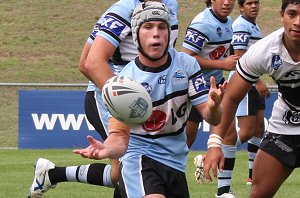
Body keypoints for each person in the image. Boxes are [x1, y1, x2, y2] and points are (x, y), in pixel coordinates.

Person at [74, 1, 227, 197]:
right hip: (138, 157)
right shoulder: (125, 84)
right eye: (148, 27)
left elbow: (212, 117)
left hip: (175, 161)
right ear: (136, 35)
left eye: (162, 27)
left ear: (169, 33)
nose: (156, 33)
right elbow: (120, 137)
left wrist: (214, 107)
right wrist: (107, 149)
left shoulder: (187, 65)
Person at [28, 0, 178, 197]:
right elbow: (88, 63)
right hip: (109, 100)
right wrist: (126, 100)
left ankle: (52, 174)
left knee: (119, 174)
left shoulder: (171, 5)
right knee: (131, 168)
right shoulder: (124, 9)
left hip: (147, 101)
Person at [204, 0, 300, 197]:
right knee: (258, 193)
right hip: (285, 127)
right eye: (292, 14)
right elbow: (231, 98)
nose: (298, 22)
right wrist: (214, 143)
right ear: (282, 15)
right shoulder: (264, 51)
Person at [212, 0, 270, 197]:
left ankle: (252, 176)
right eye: (249, 3)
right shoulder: (241, 25)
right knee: (244, 133)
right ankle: (214, 154)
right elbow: (240, 57)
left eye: (256, 2)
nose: (254, 6)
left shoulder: (254, 25)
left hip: (254, 83)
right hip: (244, 83)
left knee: (258, 130)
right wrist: (258, 82)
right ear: (241, 7)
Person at [182, 0, 238, 149]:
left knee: (229, 135)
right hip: (196, 86)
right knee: (187, 140)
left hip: (217, 84)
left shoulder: (229, 22)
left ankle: (221, 171)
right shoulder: (202, 24)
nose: (227, 3)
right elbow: (186, 58)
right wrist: (222, 64)